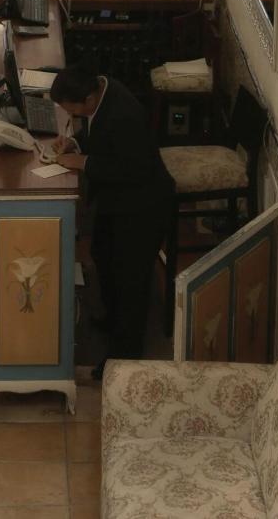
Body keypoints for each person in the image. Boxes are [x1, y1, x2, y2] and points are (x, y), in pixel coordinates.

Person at [49, 66, 171, 374]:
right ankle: (112, 320)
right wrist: (75, 144)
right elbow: (99, 136)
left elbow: (131, 169)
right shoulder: (102, 90)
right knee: (103, 254)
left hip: (143, 206)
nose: (71, 114)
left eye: (72, 109)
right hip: (118, 201)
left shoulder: (124, 114)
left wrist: (82, 162)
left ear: (88, 99)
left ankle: (124, 356)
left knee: (130, 280)